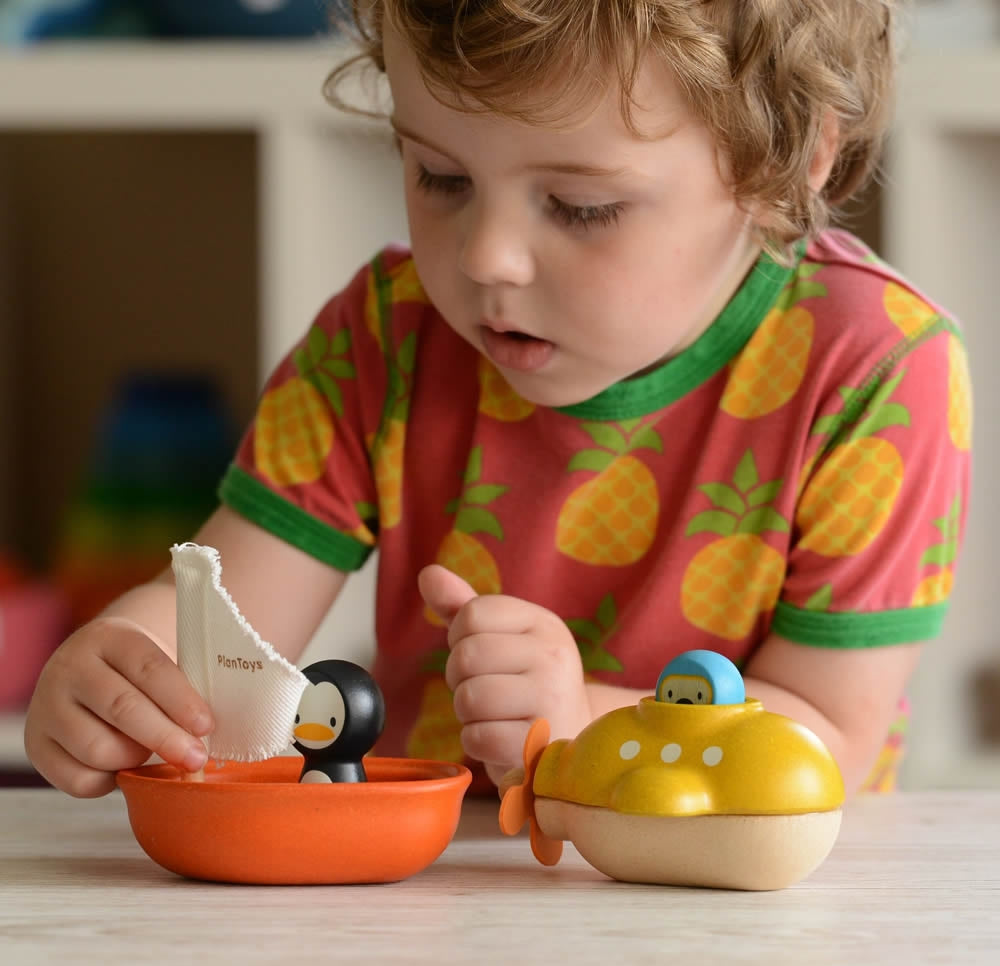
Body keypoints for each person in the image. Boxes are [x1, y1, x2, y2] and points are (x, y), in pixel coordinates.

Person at [24, 0, 971, 800]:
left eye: (581, 205)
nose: (486, 259)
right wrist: (121, 669)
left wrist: (587, 722)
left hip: (734, 908)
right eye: (441, 177)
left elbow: (827, 741)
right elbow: (223, 623)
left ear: (791, 160)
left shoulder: (878, 370)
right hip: (444, 891)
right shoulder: (386, 335)